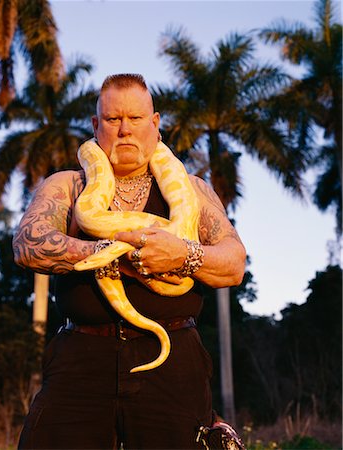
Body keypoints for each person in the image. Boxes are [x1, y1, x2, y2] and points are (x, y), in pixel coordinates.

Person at [14, 73, 246, 450]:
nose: (124, 130)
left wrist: (184, 254)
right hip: (80, 358)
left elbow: (234, 263)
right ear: (95, 126)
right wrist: (109, 253)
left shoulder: (194, 190)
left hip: (173, 358)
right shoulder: (68, 185)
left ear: (155, 125)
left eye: (135, 119)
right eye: (112, 119)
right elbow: (27, 245)